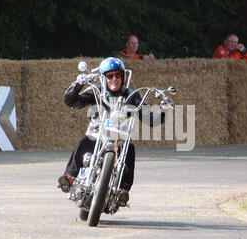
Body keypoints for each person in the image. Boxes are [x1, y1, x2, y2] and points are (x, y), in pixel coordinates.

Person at [57, 57, 166, 206]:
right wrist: (78, 85)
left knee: (130, 150)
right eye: (110, 76)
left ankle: (122, 190)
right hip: (97, 134)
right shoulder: (96, 91)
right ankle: (70, 176)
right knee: (84, 140)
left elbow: (150, 119)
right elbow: (71, 102)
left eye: (117, 75)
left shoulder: (132, 95)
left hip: (119, 138)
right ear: (104, 78)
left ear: (123, 76)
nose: (114, 79)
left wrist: (162, 109)